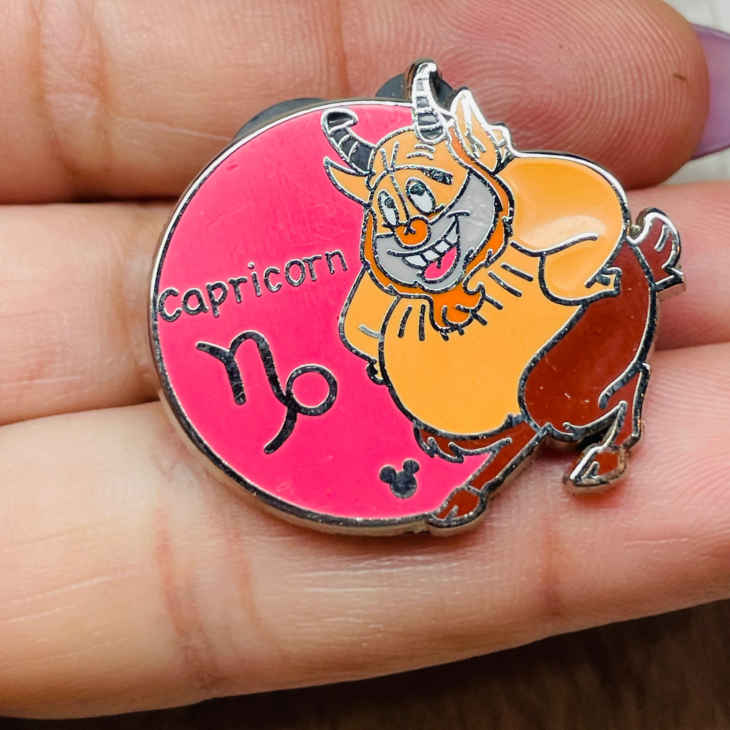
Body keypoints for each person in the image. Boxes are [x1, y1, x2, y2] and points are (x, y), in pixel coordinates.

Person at [0, 0, 727, 719]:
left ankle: (609, 421)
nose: (414, 233)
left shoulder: (543, 218)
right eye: (392, 220)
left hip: (557, 323)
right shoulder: (390, 292)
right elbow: (366, 318)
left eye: (427, 206)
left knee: (550, 400)